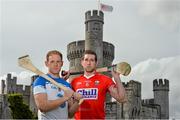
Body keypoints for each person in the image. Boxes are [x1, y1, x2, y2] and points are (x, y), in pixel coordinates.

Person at [71, 50, 127, 119]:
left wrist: (117, 78)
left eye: (92, 60)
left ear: (96, 63)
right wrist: (62, 80)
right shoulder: (74, 82)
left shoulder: (105, 80)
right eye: (86, 60)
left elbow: (122, 99)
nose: (88, 63)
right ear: (82, 62)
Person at [33, 50, 82, 119]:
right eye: (52, 61)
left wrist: (77, 101)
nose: (55, 64)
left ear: (62, 63)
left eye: (58, 62)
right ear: (46, 63)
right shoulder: (40, 81)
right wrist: (64, 98)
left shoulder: (67, 85)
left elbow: (70, 114)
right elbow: (42, 107)